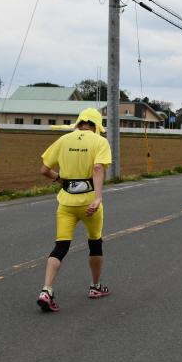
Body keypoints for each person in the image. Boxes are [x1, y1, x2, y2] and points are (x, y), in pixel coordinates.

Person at [36, 108, 112, 312]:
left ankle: (46, 290)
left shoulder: (63, 140)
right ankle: (95, 287)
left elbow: (43, 169)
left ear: (78, 123)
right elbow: (98, 169)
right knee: (95, 243)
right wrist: (97, 197)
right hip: (89, 203)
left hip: (66, 202)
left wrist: (60, 179)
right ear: (96, 126)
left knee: (60, 246)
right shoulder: (100, 142)